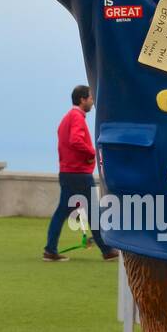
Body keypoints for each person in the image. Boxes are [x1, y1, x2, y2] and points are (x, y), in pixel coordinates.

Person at [44, 86, 119, 262]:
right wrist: (92, 153)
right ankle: (106, 250)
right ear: (82, 99)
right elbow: (76, 140)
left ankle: (50, 249)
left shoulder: (67, 118)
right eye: (91, 99)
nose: (93, 103)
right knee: (93, 211)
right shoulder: (77, 117)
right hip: (78, 174)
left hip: (68, 172)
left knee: (63, 211)